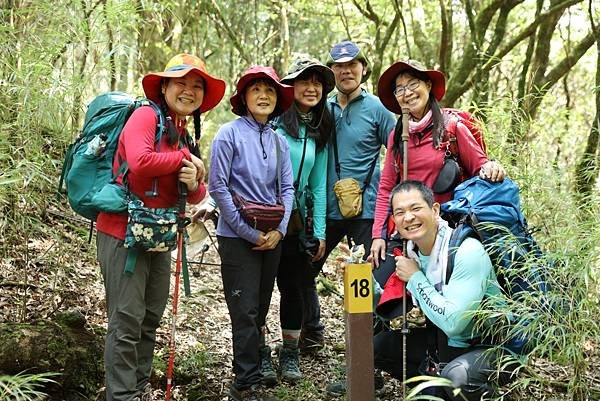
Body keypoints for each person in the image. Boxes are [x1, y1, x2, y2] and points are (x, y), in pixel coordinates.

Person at [96, 53, 225, 401]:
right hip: (123, 233)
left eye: (197, 86)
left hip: (160, 235)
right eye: (182, 82)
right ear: (164, 85)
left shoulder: (183, 134)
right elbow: (139, 162)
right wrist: (186, 162)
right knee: (126, 319)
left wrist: (194, 176)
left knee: (149, 316)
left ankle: (136, 389)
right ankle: (121, 395)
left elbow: (196, 191)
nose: (189, 91)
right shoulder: (144, 116)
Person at [373, 180, 516, 401]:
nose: (408, 217)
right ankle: (439, 391)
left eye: (416, 208)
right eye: (400, 212)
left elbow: (454, 323)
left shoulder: (466, 251)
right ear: (394, 220)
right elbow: (389, 304)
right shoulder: (412, 251)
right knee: (379, 347)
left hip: (492, 348)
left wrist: (415, 278)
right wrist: (358, 276)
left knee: (457, 377)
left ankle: (474, 392)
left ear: (435, 209)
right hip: (445, 345)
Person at [299, 41, 396, 351]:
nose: (346, 71)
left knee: (367, 284)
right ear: (333, 72)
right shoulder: (320, 107)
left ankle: (369, 360)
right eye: (339, 66)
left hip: (366, 212)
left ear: (362, 69)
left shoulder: (378, 109)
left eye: (352, 65)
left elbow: (398, 155)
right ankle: (312, 331)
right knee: (300, 272)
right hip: (325, 210)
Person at [369, 59, 505, 278]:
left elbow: (480, 166)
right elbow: (386, 188)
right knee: (379, 279)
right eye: (400, 89)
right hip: (411, 227)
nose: (408, 93)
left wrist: (492, 167)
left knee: (442, 298)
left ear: (428, 86)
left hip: (450, 229)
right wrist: (378, 235)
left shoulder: (452, 127)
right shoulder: (398, 136)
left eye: (413, 84)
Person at [209, 65, 295, 401]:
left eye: (270, 90)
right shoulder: (228, 134)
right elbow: (218, 187)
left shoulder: (278, 142)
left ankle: (254, 370)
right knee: (243, 310)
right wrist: (248, 233)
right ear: (244, 97)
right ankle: (245, 382)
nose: (263, 95)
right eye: (256, 89)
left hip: (271, 237)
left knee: (259, 306)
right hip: (236, 238)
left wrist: (281, 230)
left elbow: (286, 188)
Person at [272, 56, 335, 382]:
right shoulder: (272, 122)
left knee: (293, 288)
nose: (312, 88)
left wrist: (321, 231)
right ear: (290, 86)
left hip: (299, 223)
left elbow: (319, 185)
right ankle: (256, 354)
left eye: (318, 83)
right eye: (304, 81)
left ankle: (290, 353)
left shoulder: (318, 128)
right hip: (266, 217)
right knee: (258, 290)